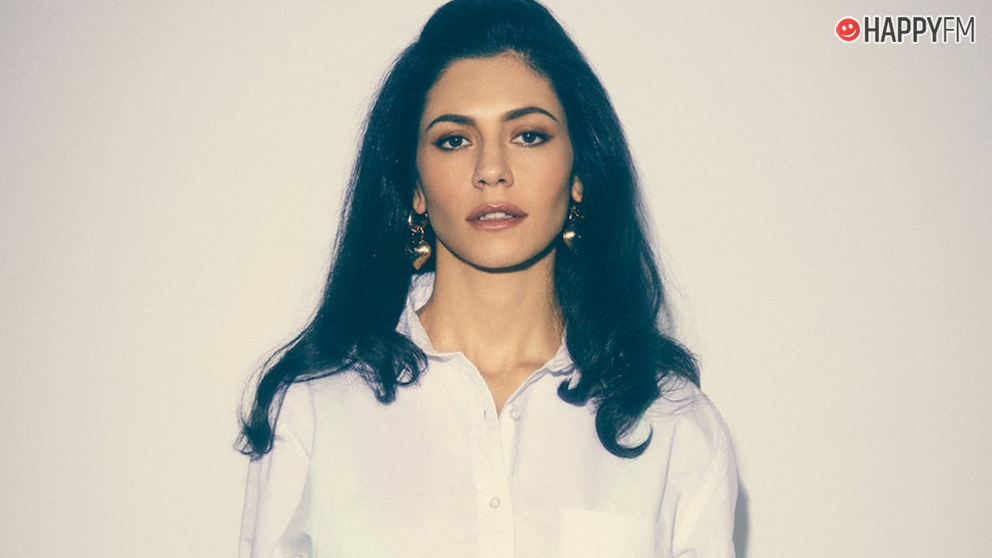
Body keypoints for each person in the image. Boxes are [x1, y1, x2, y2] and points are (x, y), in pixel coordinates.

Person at [237, 0, 738, 556]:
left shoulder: (669, 420)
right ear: (415, 186)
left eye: (529, 135)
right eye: (455, 139)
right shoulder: (313, 407)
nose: (492, 170)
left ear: (579, 173)